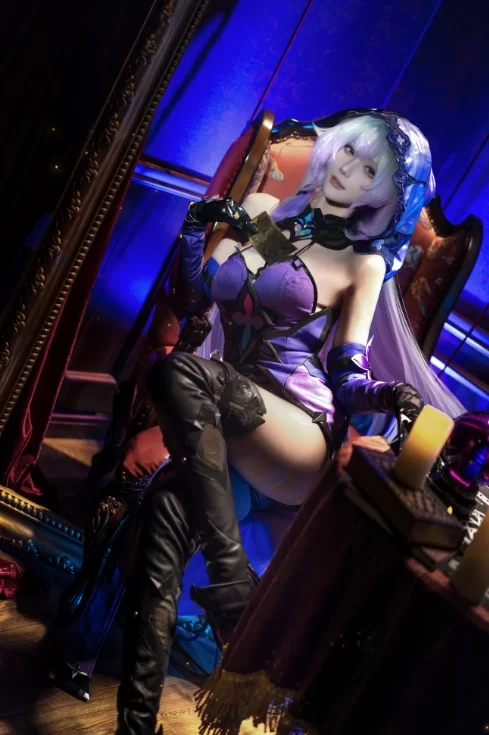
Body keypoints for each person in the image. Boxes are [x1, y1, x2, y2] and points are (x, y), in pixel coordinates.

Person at [114, 108, 465, 734]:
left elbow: (346, 377)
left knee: (180, 376)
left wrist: (391, 397)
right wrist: (198, 227)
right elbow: (194, 300)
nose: (350, 172)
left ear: (386, 195)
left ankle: (230, 581)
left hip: (296, 434)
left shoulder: (365, 265)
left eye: (372, 172)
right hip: (219, 420)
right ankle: (136, 723)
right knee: (165, 525)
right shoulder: (267, 219)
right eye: (350, 153)